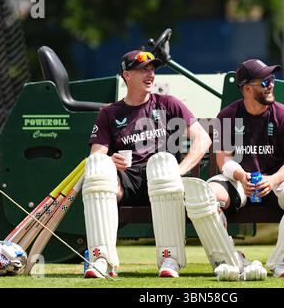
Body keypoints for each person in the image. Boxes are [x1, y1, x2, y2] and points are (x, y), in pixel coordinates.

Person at [82, 49, 213, 278]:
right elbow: (96, 157)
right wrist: (109, 160)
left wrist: (178, 171)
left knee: (161, 163)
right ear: (127, 75)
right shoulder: (110, 114)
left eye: (152, 70)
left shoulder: (168, 104)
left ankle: (169, 259)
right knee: (97, 167)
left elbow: (203, 139)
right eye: (143, 70)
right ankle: (101, 259)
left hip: (164, 181)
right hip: (127, 180)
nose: (150, 74)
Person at [206, 59, 284, 278]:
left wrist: (273, 180)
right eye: (264, 81)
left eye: (271, 79)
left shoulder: (283, 115)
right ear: (246, 88)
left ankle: (283, 262)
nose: (271, 84)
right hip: (238, 182)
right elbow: (223, 160)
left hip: (277, 183)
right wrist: (240, 175)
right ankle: (232, 260)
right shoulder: (227, 116)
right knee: (206, 196)